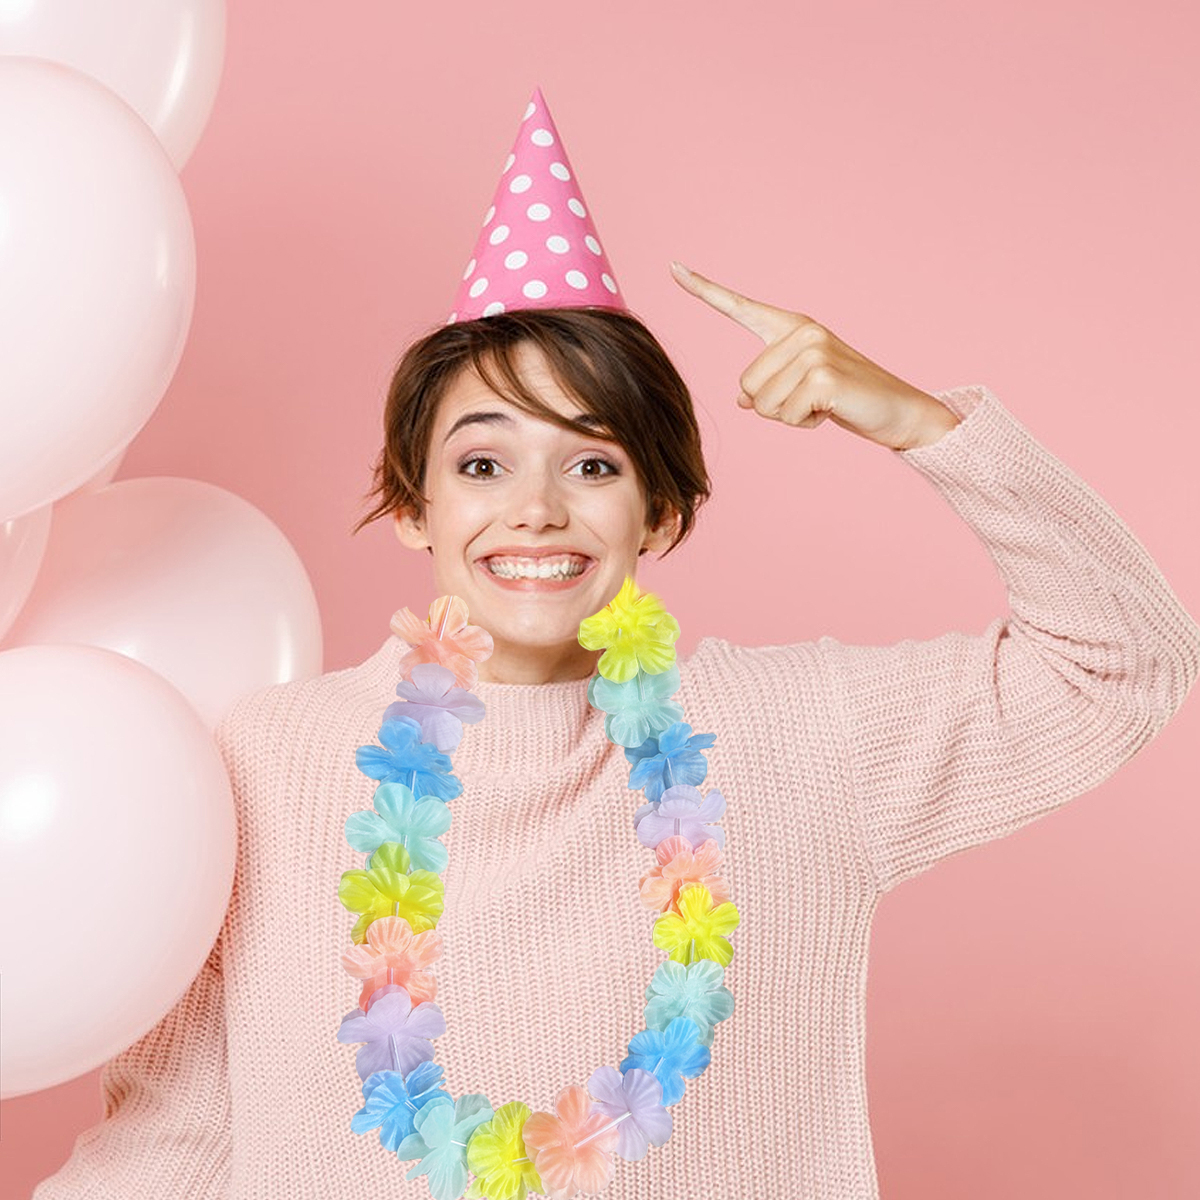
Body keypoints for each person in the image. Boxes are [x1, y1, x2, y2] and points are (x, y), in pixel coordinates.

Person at [33, 88, 1200, 1200]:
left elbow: (1120, 664)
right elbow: (178, 1138)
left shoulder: (798, 741)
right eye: (482, 463)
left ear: (660, 511)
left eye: (592, 463)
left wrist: (918, 424)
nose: (536, 509)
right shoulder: (271, 762)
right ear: (412, 507)